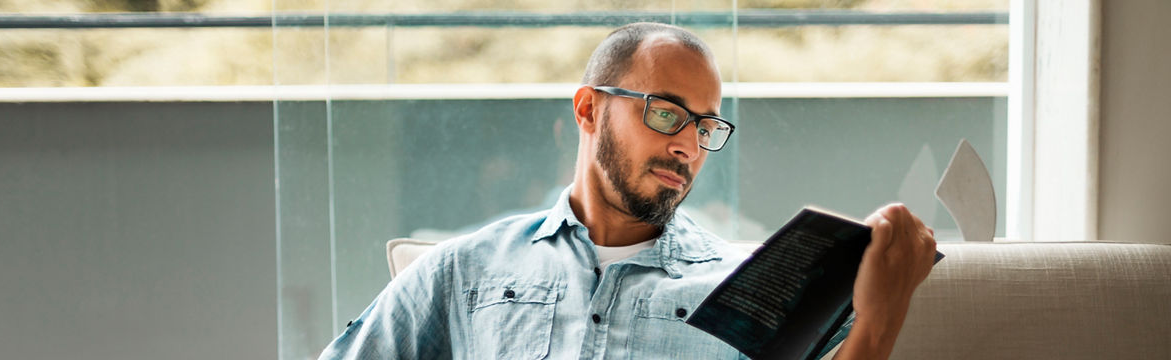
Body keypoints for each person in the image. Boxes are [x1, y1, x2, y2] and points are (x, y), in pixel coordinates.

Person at [318, 22, 937, 359]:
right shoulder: (464, 271)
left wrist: (879, 323)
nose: (688, 147)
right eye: (667, 114)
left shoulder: (748, 287)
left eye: (705, 126)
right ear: (589, 110)